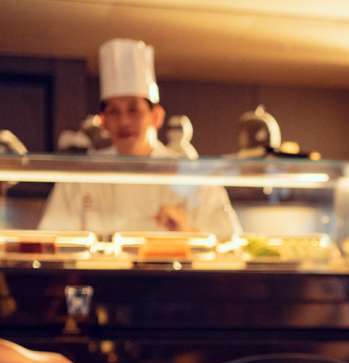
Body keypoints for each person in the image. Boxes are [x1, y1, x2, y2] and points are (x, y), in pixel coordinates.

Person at [39, 39, 241, 241]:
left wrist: (186, 231)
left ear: (156, 116)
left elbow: (230, 243)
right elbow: (49, 240)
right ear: (104, 122)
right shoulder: (81, 176)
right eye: (114, 112)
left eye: (134, 110)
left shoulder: (194, 176)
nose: (124, 121)